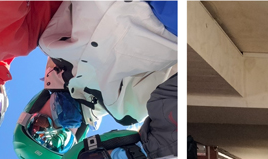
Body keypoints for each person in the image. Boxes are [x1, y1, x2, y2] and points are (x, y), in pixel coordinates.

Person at [38, 0, 177, 125]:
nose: (59, 118)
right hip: (163, 25)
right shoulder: (123, 109)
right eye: (63, 127)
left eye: (40, 121)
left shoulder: (52, 45)